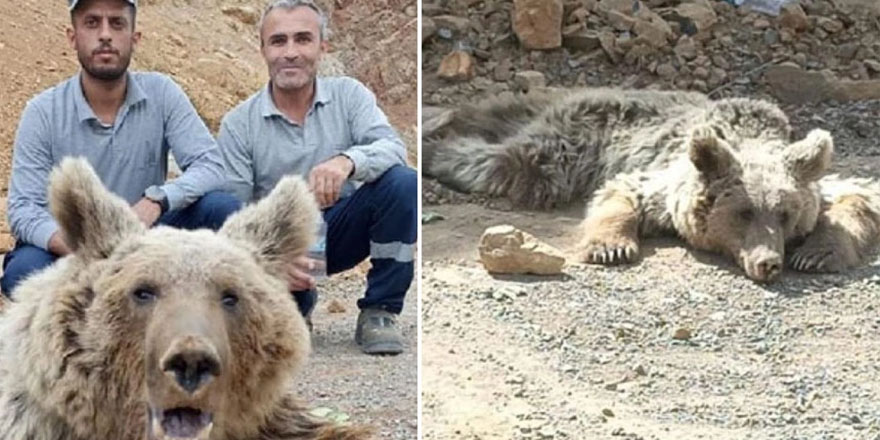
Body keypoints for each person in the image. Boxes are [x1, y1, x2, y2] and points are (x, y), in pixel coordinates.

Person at [1, 0, 240, 296]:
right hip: (73, 245)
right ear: (72, 37)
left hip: (144, 234)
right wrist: (75, 243)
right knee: (23, 273)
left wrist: (157, 200)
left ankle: (193, 314)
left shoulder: (162, 93)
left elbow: (211, 165)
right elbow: (24, 208)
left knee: (221, 208)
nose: (105, 35)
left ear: (134, 38)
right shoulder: (43, 111)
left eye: (117, 23)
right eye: (92, 23)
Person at [217, 0, 416, 355]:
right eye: (278, 41)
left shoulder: (350, 96)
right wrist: (270, 258)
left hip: (344, 229)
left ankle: (380, 309)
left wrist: (347, 162)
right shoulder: (238, 124)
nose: (290, 52)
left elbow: (392, 148)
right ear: (262, 49)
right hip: (280, 245)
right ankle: (295, 305)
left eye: (303, 39)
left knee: (402, 183)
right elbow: (232, 211)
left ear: (322, 46)